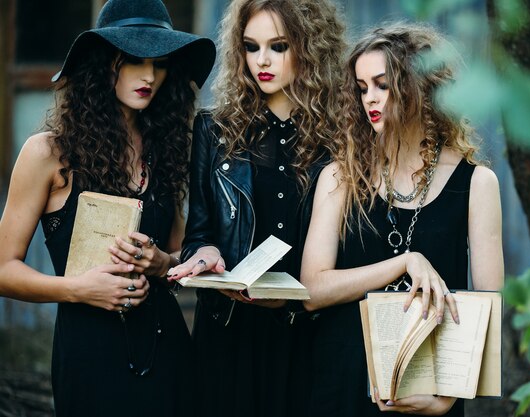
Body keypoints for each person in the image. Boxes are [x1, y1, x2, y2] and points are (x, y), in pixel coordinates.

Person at [0, 1, 215, 416]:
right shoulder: (48, 152)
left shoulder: (167, 149)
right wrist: (78, 289)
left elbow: (180, 257)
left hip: (165, 348)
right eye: (134, 59)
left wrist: (161, 263)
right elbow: (3, 269)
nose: (149, 75)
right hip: (89, 357)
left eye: (160, 63)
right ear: (102, 63)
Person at [300, 23, 504, 416]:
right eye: (361, 88)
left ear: (419, 87)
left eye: (382, 85)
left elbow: (487, 306)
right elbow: (312, 289)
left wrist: (446, 398)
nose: (369, 99)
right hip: (342, 382)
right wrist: (404, 261)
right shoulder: (341, 176)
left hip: (427, 388)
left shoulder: (477, 183)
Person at [166, 0, 345, 415]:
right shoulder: (213, 130)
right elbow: (199, 235)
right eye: (251, 46)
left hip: (308, 333)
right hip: (229, 331)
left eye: (278, 46)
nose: (261, 61)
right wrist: (204, 253)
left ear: (311, 48)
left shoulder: (340, 137)